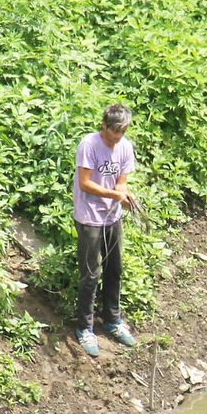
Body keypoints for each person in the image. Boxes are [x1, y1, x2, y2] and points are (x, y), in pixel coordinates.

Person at [73, 104, 139, 356]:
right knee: (91, 273)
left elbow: (122, 181)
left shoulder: (125, 147)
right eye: (114, 134)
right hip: (89, 216)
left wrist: (124, 194)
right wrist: (114, 193)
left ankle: (112, 320)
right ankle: (85, 328)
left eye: (121, 133)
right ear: (104, 126)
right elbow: (85, 183)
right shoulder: (89, 145)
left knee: (115, 268)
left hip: (113, 216)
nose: (117, 139)